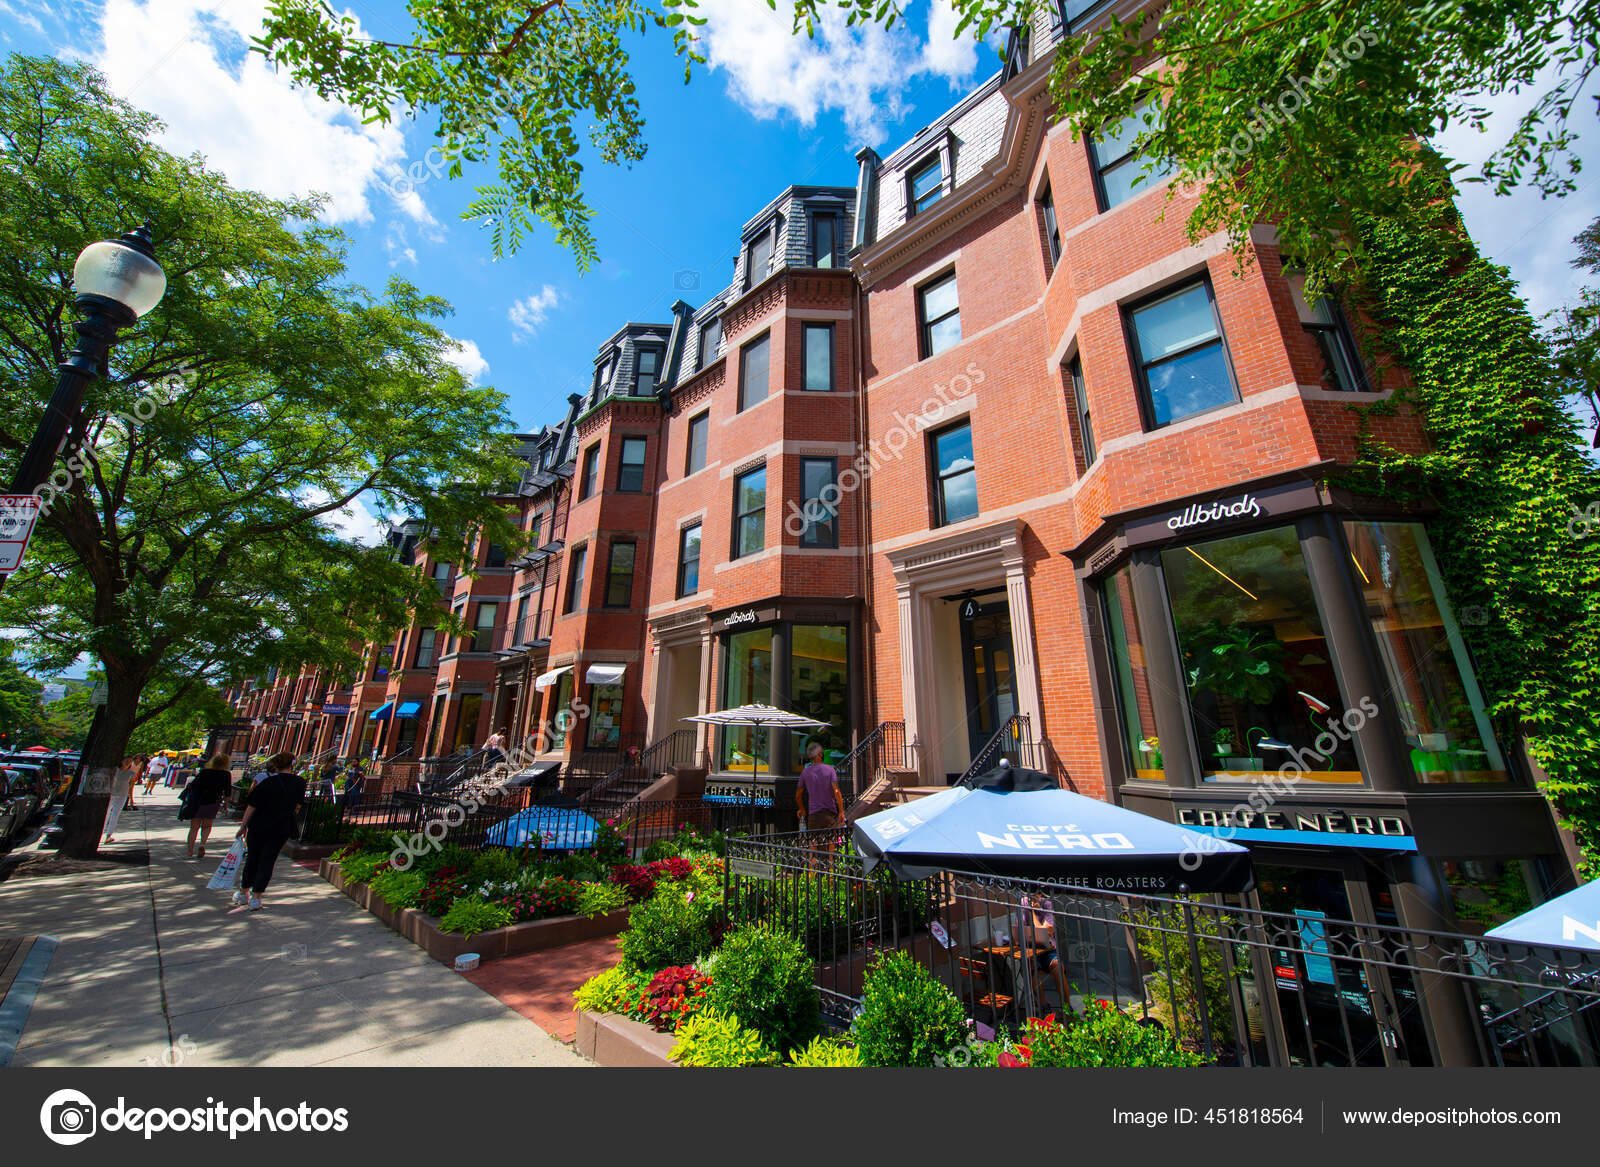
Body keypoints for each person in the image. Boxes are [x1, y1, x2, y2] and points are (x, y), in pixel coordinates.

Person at [232, 751, 306, 911]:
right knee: (268, 860)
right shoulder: (300, 783)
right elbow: (298, 806)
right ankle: (256, 897)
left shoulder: (267, 782)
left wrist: (243, 825)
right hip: (281, 826)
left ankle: (244, 892)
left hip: (259, 825)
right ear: (292, 765)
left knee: (253, 858)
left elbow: (252, 805)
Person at [182, 752, 234, 860]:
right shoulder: (226, 774)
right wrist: (226, 805)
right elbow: (228, 792)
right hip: (214, 801)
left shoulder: (205, 772)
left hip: (199, 801)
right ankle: (202, 844)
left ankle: (190, 851)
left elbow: (193, 785)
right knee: (207, 825)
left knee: (194, 828)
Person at [1021, 893, 1070, 1006]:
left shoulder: (1047, 904)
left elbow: (1046, 933)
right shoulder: (1023, 902)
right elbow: (1020, 928)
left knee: (1057, 967)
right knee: (1030, 968)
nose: (1033, 898)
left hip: (1048, 949)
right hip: (1031, 950)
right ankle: (1043, 1005)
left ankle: (1067, 1007)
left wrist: (1031, 912)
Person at [795, 741, 845, 832]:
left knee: (813, 843)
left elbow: (798, 796)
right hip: (829, 813)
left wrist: (802, 809)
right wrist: (841, 811)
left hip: (813, 814)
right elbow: (836, 791)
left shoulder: (805, 772)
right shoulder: (830, 770)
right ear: (820, 754)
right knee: (830, 843)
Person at [102, 755, 140, 842]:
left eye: (130, 761)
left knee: (115, 815)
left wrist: (131, 798)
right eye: (126, 760)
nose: (128, 762)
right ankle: (100, 833)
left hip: (122, 795)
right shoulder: (114, 771)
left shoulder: (131, 773)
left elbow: (131, 785)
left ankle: (108, 835)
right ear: (121, 761)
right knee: (106, 814)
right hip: (111, 794)